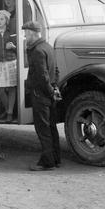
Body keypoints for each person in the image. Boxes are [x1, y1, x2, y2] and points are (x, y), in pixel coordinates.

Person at [23, 21, 61, 171]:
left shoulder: (37, 51)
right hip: (50, 94)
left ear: (33, 33)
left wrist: (49, 91)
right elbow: (56, 71)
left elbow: (42, 76)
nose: (25, 37)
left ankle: (47, 162)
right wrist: (54, 88)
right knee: (51, 128)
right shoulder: (48, 47)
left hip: (41, 95)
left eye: (26, 34)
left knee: (43, 129)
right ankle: (56, 159)